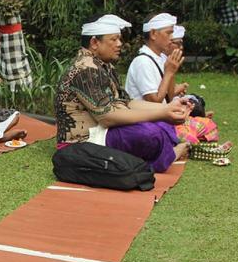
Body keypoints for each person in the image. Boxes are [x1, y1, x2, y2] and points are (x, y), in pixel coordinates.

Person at [55, 14, 191, 173]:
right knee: (151, 134)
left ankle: (161, 154)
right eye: (114, 39)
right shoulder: (85, 69)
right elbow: (107, 117)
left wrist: (168, 108)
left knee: (160, 126)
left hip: (104, 130)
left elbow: (126, 102)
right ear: (94, 43)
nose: (120, 44)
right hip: (83, 141)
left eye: (119, 39)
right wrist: (162, 112)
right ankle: (165, 157)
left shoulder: (104, 66)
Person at [126, 16, 220, 146]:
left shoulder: (159, 58)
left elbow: (169, 97)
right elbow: (154, 101)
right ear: (153, 34)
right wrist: (169, 72)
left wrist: (172, 71)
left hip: (160, 117)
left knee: (208, 126)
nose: (171, 38)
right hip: (147, 122)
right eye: (168, 33)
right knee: (192, 133)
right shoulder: (142, 61)